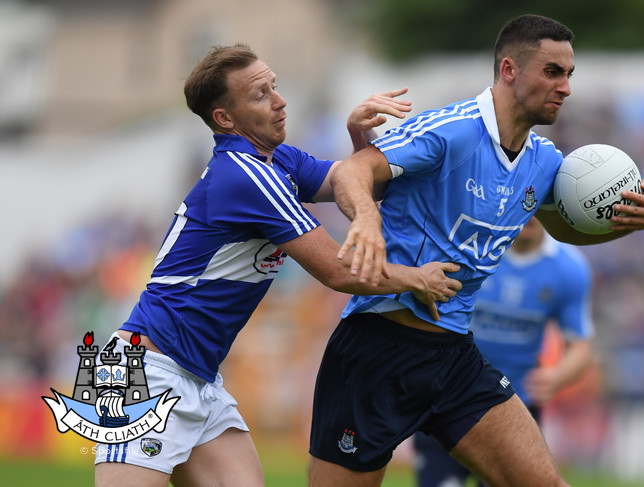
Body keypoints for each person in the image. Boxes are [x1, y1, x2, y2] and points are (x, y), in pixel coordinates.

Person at [308, 14, 644, 487]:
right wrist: (368, 220)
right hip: (377, 350)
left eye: (569, 75)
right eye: (553, 72)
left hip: (454, 356)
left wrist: (623, 225)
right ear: (509, 70)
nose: (566, 87)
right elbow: (352, 172)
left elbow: (566, 229)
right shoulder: (452, 130)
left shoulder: (546, 161)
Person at [93, 44, 462, 487]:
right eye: (260, 94)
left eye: (275, 87)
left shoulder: (279, 161)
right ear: (225, 119)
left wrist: (358, 137)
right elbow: (338, 271)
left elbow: (354, 185)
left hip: (199, 378)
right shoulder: (246, 177)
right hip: (145, 371)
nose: (280, 100)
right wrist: (416, 279)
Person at [413, 216, 596, 487]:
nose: (532, 213)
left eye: (541, 202)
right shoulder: (472, 250)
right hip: (445, 396)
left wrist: (556, 377)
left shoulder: (569, 268)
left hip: (515, 405)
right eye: (527, 200)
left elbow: (581, 347)